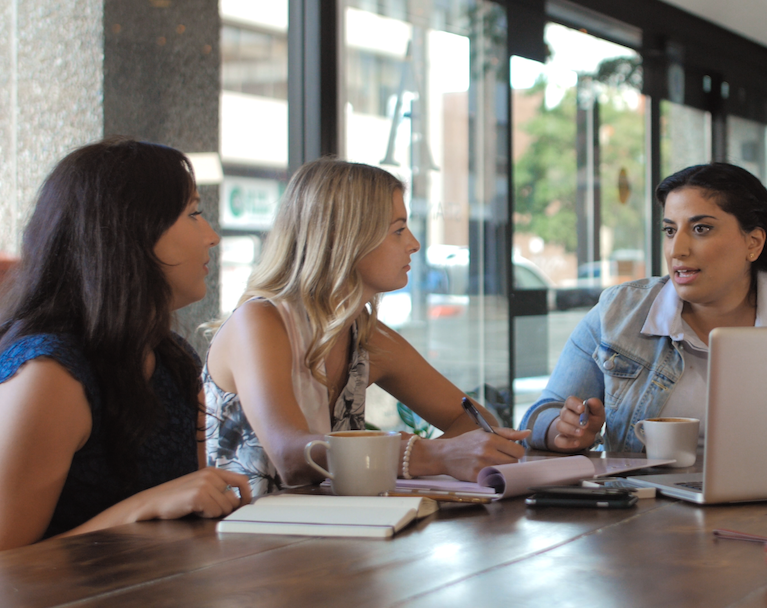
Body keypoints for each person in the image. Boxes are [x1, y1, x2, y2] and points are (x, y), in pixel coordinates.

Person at [203, 158, 529, 496]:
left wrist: (442, 457)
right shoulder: (259, 322)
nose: (414, 243)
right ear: (344, 240)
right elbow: (290, 455)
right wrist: (433, 456)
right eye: (398, 230)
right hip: (234, 544)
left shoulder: (366, 335)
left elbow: (477, 420)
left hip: (331, 537)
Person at [0, 139, 252, 551]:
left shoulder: (171, 357)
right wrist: (140, 508)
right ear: (130, 231)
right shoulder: (49, 374)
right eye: (193, 214)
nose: (212, 236)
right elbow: (6, 565)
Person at [519, 162, 767, 454]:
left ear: (753, 243)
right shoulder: (619, 313)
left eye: (701, 229)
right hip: (647, 506)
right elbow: (537, 417)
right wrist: (562, 429)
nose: (677, 250)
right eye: (670, 231)